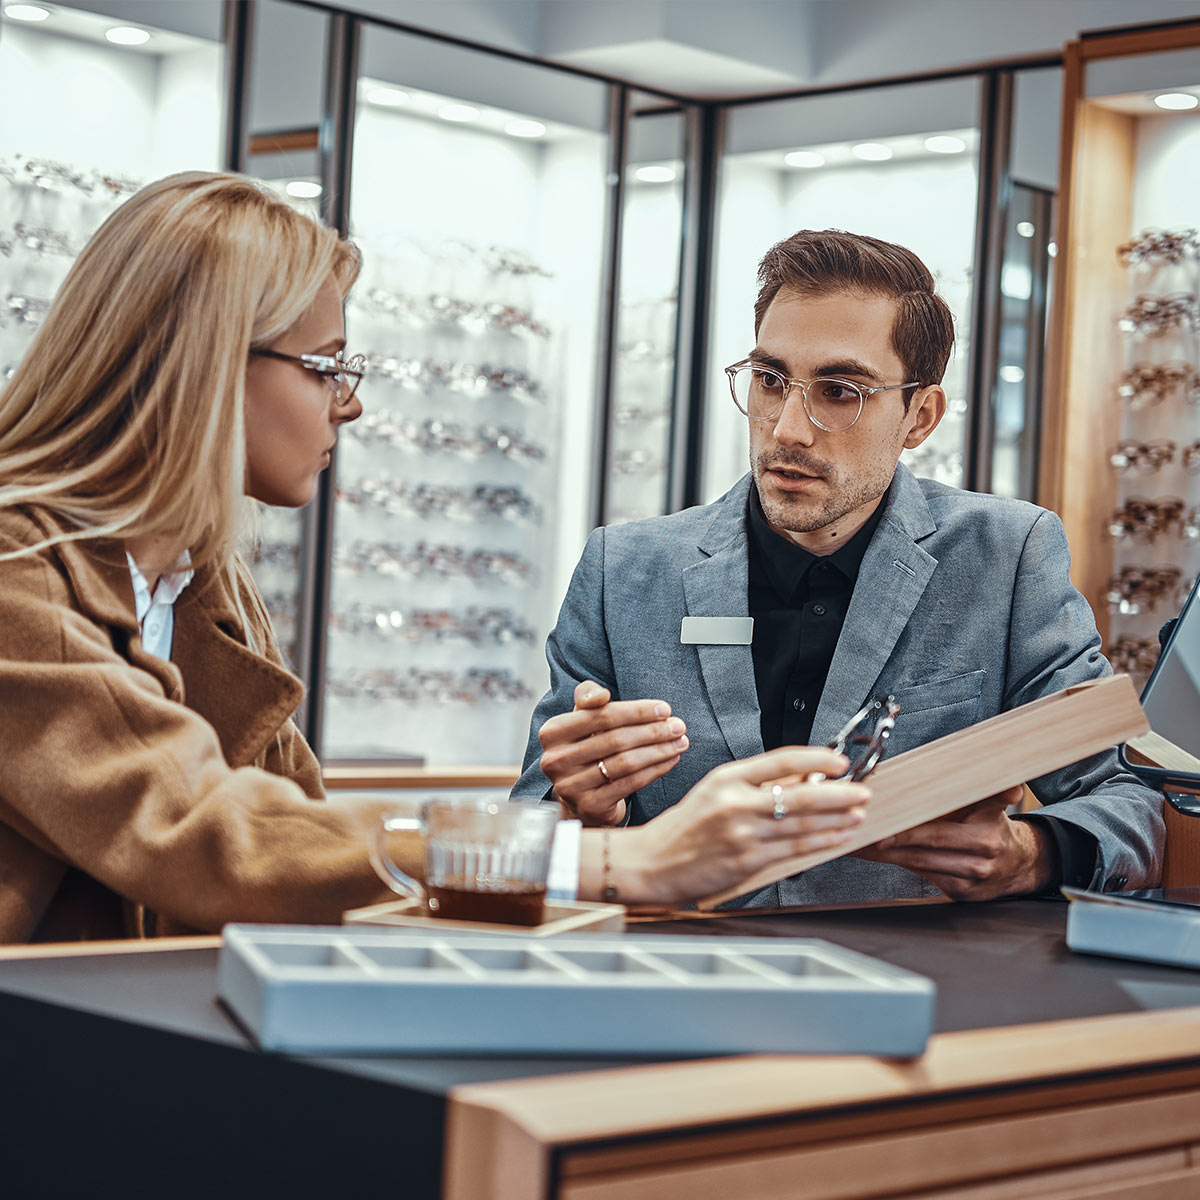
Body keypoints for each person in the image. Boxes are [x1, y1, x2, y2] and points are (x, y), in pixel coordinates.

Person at [0, 173, 871, 944]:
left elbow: (292, 835)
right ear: (208, 365)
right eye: (328, 365)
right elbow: (204, 831)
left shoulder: (199, 582)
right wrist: (617, 861)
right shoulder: (18, 571)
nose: (353, 404)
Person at [514, 228, 1164, 905]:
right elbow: (524, 834)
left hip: (912, 986)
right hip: (672, 975)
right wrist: (585, 816)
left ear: (920, 416)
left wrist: (1030, 855)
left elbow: (1128, 805)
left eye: (839, 391)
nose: (788, 429)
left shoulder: (1006, 556)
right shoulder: (623, 570)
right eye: (770, 381)